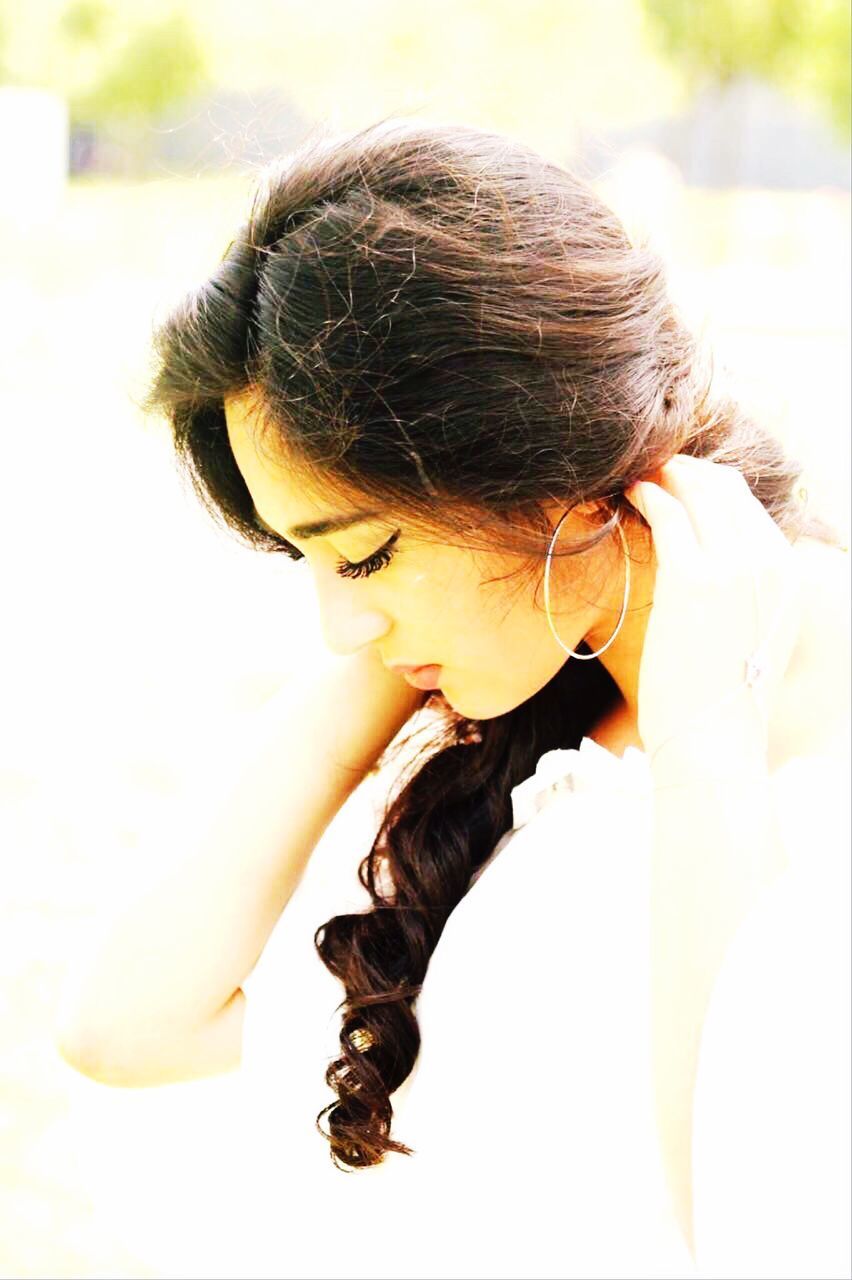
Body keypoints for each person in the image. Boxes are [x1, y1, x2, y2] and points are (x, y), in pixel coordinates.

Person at [58, 118, 850, 1278]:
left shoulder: (776, 740)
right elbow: (123, 1022)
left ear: (545, 461)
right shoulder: (510, 715)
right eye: (304, 557)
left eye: (365, 553)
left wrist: (704, 742)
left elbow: (756, 1217)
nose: (337, 626)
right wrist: (387, 646)